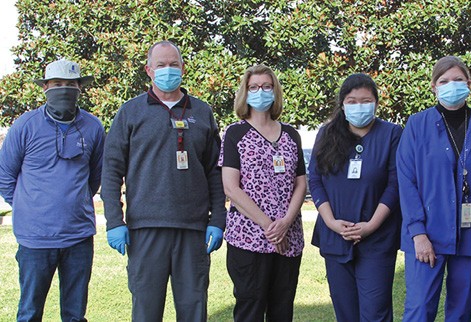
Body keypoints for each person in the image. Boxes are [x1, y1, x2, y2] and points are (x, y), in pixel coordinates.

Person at [101, 40, 226, 321]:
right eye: (161, 65)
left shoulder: (202, 112)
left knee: (194, 310)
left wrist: (218, 220)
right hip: (145, 229)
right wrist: (114, 222)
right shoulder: (130, 112)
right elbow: (110, 170)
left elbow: (214, 172)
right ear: (148, 70)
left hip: (193, 230)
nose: (168, 70)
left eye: (173, 64)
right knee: (146, 312)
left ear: (183, 67)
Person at [397, 56, 471, 321]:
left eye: (458, 80)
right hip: (427, 233)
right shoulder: (416, 125)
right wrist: (418, 233)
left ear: (469, 84)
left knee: (461, 311)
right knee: (420, 309)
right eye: (443, 81)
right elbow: (407, 182)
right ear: (433, 86)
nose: (451, 85)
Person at [0, 59, 105, 321]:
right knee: (29, 312)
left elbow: (95, 177)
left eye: (71, 84)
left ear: (81, 87)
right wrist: (29, 207)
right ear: (45, 87)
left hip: (78, 236)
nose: (64, 89)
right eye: (58, 84)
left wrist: (74, 202)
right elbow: (5, 176)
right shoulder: (25, 125)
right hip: (35, 240)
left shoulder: (93, 127)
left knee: (74, 313)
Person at [309, 73, 402, 321]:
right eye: (352, 101)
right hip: (335, 236)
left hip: (377, 239)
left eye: (365, 100)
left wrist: (371, 225)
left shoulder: (392, 134)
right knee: (346, 313)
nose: (359, 106)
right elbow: (316, 181)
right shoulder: (326, 134)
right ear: (342, 104)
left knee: (375, 313)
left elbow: (395, 185)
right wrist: (330, 222)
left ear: (376, 103)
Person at [219, 64, 306, 321]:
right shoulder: (235, 134)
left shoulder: (291, 135)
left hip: (288, 240)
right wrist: (270, 227)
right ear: (245, 93)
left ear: (275, 91)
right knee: (250, 309)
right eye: (254, 87)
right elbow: (231, 187)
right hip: (249, 239)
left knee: (282, 309)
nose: (261, 92)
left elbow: (300, 183)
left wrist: (285, 224)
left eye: (266, 86)